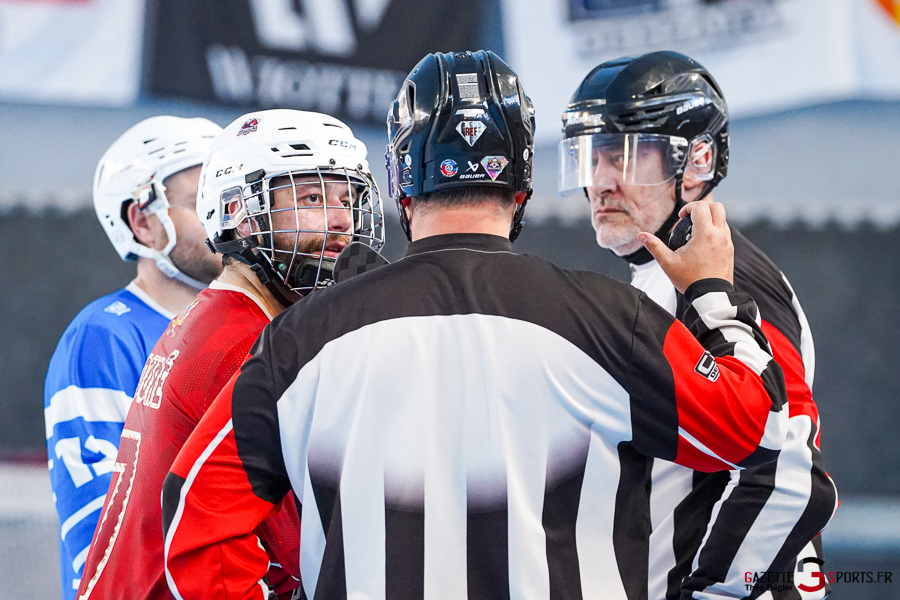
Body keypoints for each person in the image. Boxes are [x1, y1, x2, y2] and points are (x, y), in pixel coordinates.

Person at [161, 50, 789, 599]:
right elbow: (751, 427)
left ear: (400, 188)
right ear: (521, 190)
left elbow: (196, 523)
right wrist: (710, 293)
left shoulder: (300, 338)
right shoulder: (612, 321)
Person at [558, 51, 838, 599]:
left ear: (697, 163)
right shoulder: (663, 276)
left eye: (627, 155)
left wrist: (712, 594)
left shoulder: (733, 282)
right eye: (593, 156)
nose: (601, 182)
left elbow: (789, 472)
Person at [74, 109, 384, 600]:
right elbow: (289, 551)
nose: (343, 220)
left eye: (348, 198)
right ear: (240, 210)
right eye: (312, 197)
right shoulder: (245, 342)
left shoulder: (221, 318)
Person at [44, 116, 223, 599]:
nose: (226, 216)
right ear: (142, 221)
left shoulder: (253, 328)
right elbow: (99, 531)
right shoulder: (103, 336)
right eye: (201, 201)